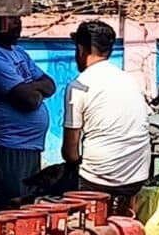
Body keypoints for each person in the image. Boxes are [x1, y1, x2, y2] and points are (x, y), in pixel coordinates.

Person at [0, 18, 57, 210]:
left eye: (18, 18)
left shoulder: (19, 52)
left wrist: (31, 88)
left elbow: (50, 85)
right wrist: (34, 89)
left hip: (29, 146)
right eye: (11, 19)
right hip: (9, 146)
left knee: (25, 208)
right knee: (8, 208)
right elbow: (29, 100)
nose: (17, 23)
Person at [62, 20, 152, 205]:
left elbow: (70, 153)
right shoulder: (130, 80)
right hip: (137, 178)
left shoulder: (79, 86)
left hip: (97, 181)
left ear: (81, 49)